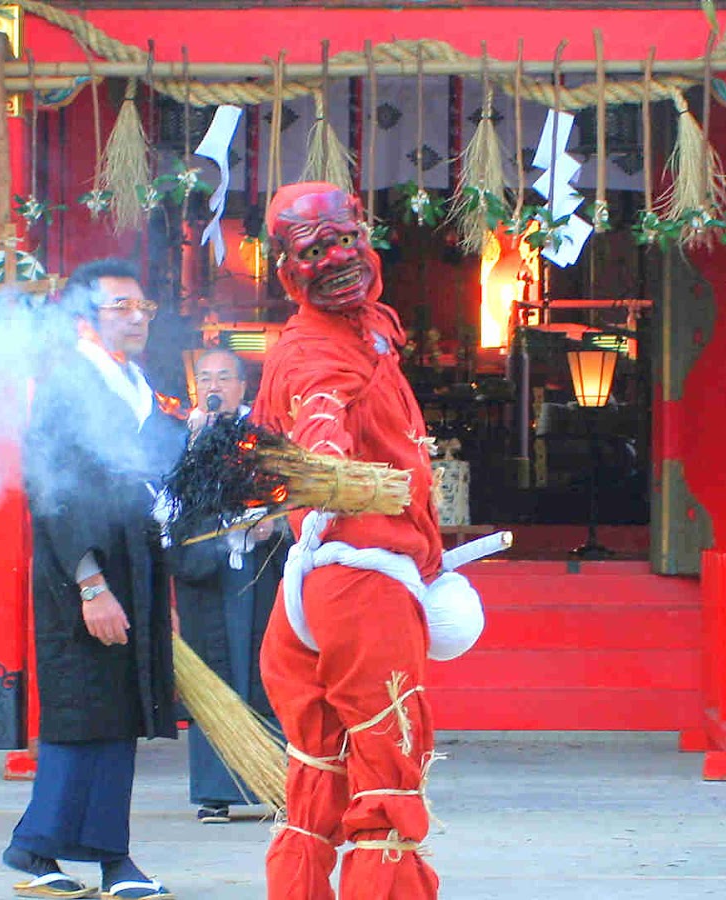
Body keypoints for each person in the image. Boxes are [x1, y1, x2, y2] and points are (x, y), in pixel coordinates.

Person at [251, 182, 450, 900]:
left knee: (317, 776)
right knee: (386, 778)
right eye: (314, 251)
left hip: (319, 582)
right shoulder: (313, 353)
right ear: (286, 270)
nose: (339, 259)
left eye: (347, 239)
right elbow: (318, 415)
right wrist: (327, 465)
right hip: (361, 588)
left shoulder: (363, 330)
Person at [5, 259, 185, 900]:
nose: (137, 316)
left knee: (117, 712)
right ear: (84, 318)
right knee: (82, 712)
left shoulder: (139, 384)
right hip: (80, 571)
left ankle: (40, 850)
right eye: (120, 306)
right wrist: (90, 583)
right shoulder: (67, 386)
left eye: (143, 307)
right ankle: (105, 859)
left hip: (133, 566)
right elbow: (50, 491)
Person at [168, 349, 290, 825]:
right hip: (207, 570)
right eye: (205, 377)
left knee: (266, 670)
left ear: (242, 387)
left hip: (258, 569)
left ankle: (275, 784)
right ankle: (215, 792)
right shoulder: (185, 435)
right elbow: (168, 505)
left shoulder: (265, 437)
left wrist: (273, 526)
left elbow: (292, 498)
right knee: (214, 670)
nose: (214, 385)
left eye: (224, 377)